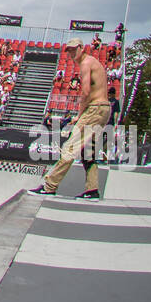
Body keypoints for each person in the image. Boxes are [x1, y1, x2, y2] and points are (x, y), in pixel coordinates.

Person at [31, 39, 111, 198]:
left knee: (70, 148)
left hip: (94, 108)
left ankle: (49, 186)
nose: (72, 53)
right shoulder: (93, 62)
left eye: (74, 49)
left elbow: (86, 91)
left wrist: (79, 115)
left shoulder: (86, 63)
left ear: (82, 48)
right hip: (104, 109)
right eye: (69, 51)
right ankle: (92, 189)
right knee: (89, 152)